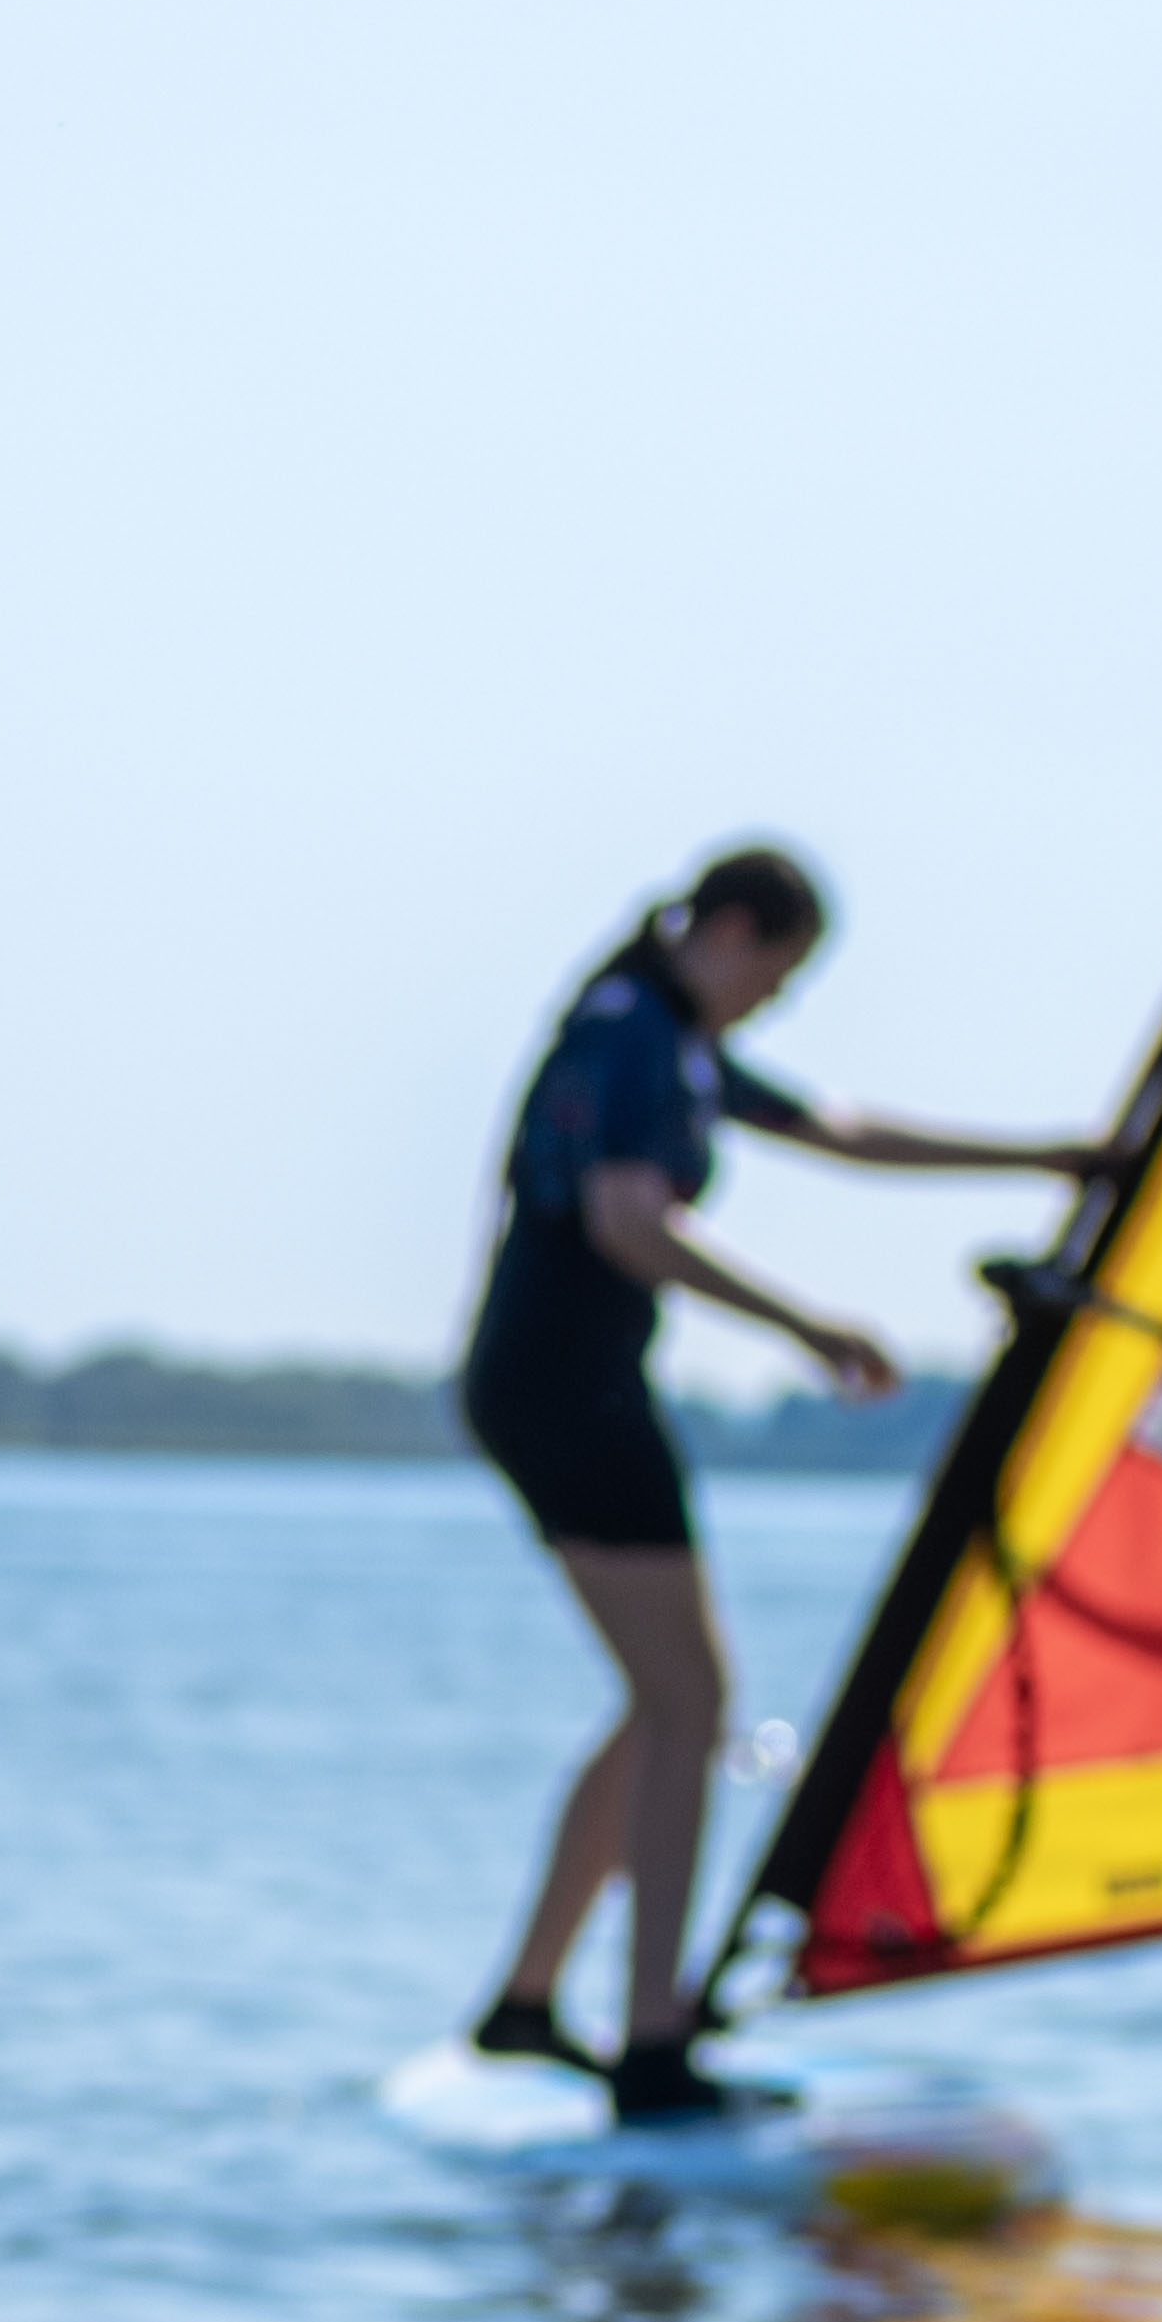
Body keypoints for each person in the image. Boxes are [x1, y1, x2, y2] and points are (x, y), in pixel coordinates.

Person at [457, 843, 1097, 2118]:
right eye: (780, 976)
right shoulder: (636, 1029)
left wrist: (1056, 1157)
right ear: (734, 931)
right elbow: (626, 1221)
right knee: (693, 1701)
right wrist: (810, 1327)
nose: (774, 1003)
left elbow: (838, 1129)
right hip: (568, 1394)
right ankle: (651, 2045)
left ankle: (530, 2002)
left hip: (559, 1391)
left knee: (664, 1701)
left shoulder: (664, 1032)